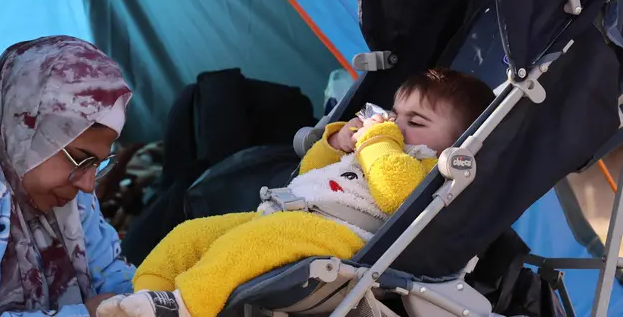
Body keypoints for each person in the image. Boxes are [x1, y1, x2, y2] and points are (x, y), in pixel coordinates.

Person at [97, 68, 494, 317]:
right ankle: (147, 297)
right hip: (293, 213)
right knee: (190, 234)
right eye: (395, 114)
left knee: (255, 242)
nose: (396, 125)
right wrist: (335, 143)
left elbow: (397, 195)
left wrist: (378, 141)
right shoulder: (381, 147)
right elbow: (309, 175)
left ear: (456, 142)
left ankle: (187, 306)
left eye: (416, 122)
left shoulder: (429, 168)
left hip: (346, 237)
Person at [0, 36, 136, 317]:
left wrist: (147, 302)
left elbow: (109, 270)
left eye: (97, 164)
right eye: (81, 158)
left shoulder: (56, 175)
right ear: (26, 124)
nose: (87, 185)